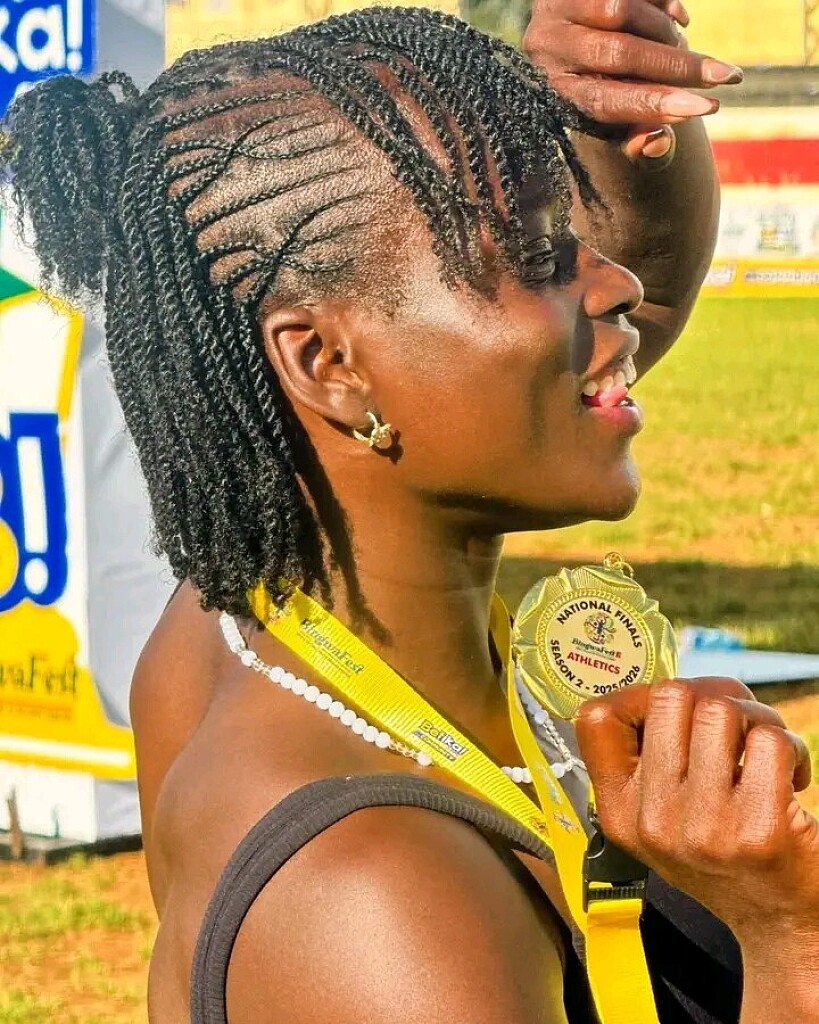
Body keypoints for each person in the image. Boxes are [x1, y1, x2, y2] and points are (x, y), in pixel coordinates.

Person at [4, 4, 817, 1022]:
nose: (613, 282)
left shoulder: (244, 619)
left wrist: (630, 104)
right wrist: (788, 939)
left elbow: (616, 320)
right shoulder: (380, 909)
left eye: (572, 236)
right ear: (327, 364)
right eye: (536, 255)